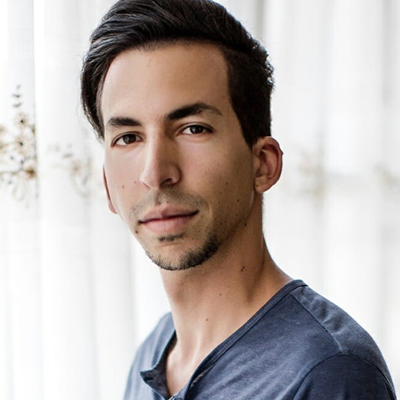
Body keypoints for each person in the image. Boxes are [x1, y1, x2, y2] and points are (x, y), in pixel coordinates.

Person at [80, 0, 397, 399]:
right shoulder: (154, 352)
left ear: (262, 163)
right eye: (128, 137)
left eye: (193, 128)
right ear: (108, 185)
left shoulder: (329, 371)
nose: (155, 173)